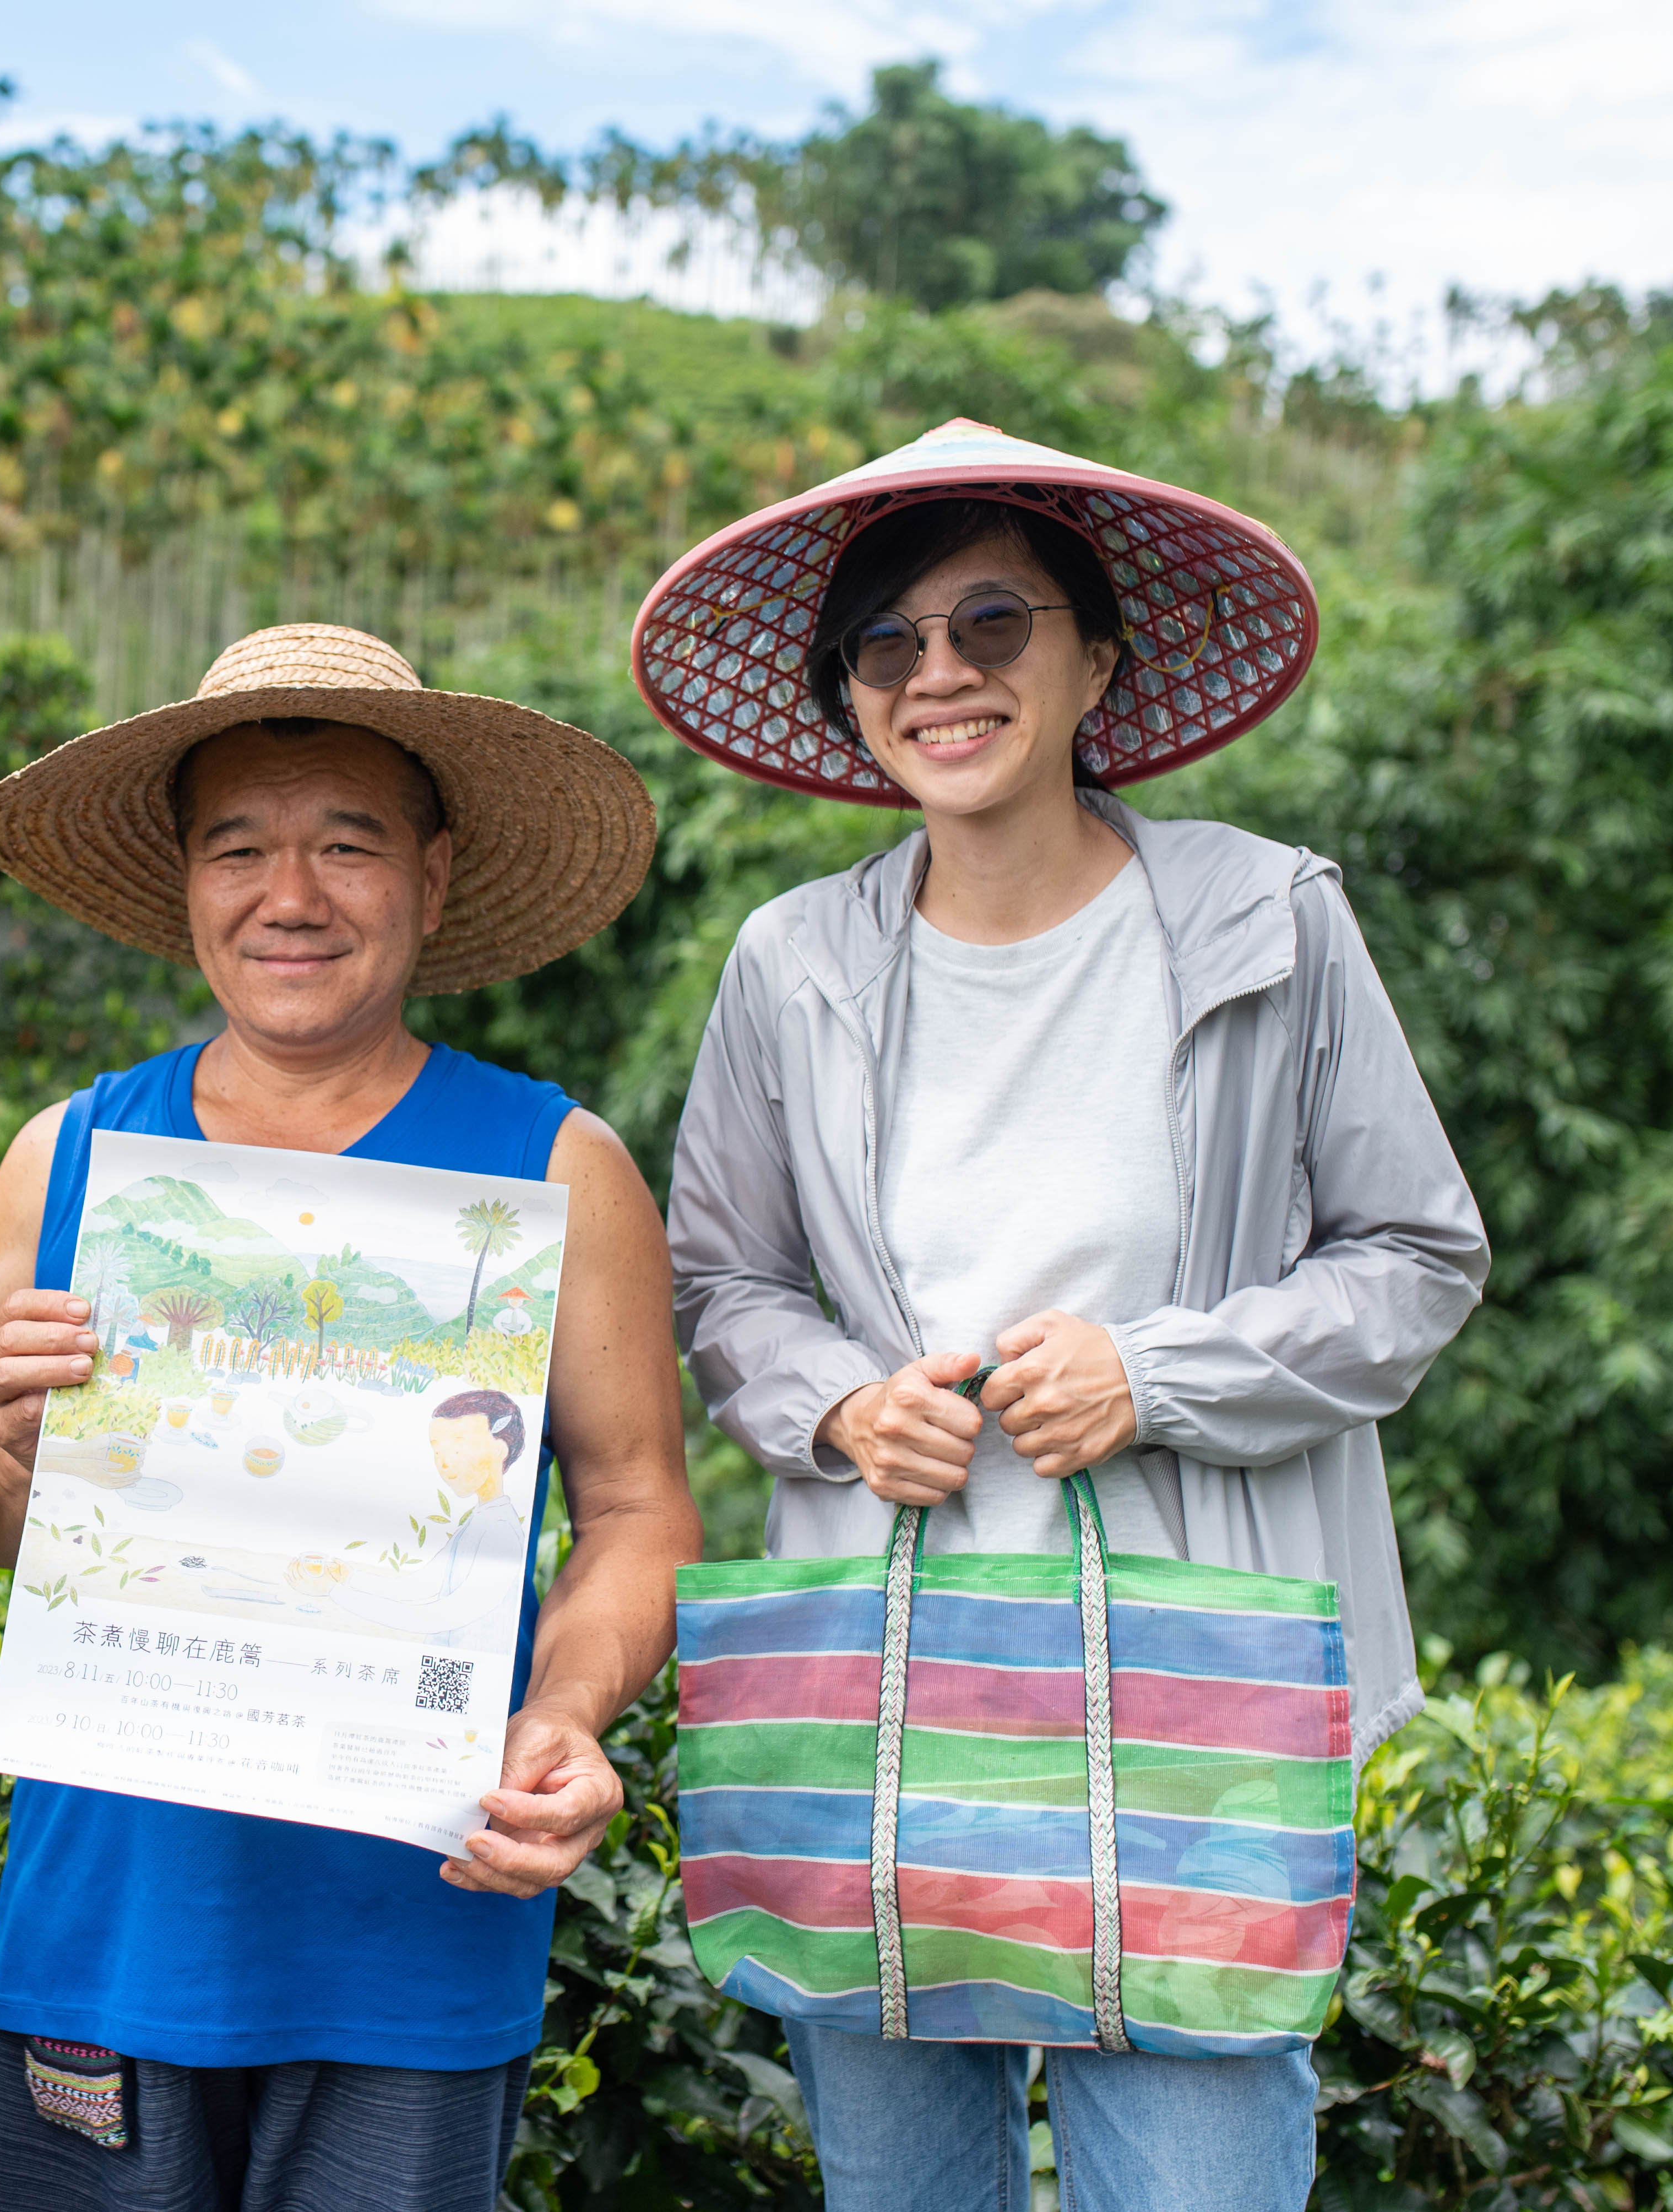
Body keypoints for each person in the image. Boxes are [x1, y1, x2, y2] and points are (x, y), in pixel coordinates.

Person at [640, 420, 1491, 2209]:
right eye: (888, 643)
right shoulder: (792, 963)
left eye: (993, 626)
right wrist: (841, 1405)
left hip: (1194, 1687)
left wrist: (1156, 1373)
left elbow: (1417, 1257)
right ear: (853, 702)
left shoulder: (1267, 916)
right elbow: (721, 1282)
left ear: (1099, 660)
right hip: (880, 1686)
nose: (941, 674)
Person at [0, 624, 704, 2210]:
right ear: (184, 881)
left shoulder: (553, 1171)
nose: (293, 897)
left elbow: (638, 1511)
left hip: (414, 1927)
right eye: (242, 849)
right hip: (112, 1930)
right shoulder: (66, 1160)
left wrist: (564, 1715)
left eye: (347, 844)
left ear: (432, 870)